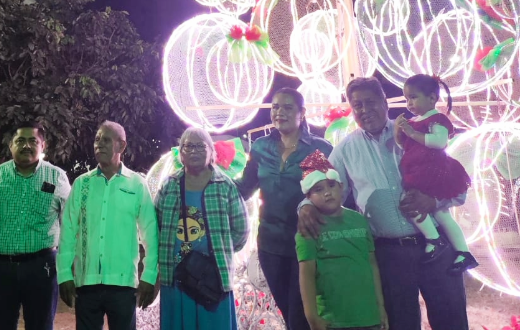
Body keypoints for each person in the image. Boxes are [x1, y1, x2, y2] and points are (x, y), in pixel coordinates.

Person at [298, 77, 469, 330]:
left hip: (437, 245)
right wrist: (305, 207)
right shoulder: (345, 150)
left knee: (451, 320)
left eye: (370, 102)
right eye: (358, 105)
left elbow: (456, 185)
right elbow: (321, 187)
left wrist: (434, 201)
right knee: (401, 324)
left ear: (385, 102)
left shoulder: (416, 132)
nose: (365, 110)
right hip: (390, 255)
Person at [235, 87, 332, 330]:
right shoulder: (261, 147)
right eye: (275, 107)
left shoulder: (317, 148)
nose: (280, 112)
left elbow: (329, 194)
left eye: (288, 107)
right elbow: (244, 187)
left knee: (302, 315)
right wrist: (211, 178)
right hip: (270, 245)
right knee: (289, 315)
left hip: (308, 243)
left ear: (302, 113)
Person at [57, 121, 159, 330]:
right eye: (97, 139)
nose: (99, 144)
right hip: (87, 283)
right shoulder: (82, 184)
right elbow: (68, 231)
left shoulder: (136, 184)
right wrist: (65, 274)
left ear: (122, 146)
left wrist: (149, 276)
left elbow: (150, 233)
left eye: (106, 140)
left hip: (123, 285)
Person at [155, 127, 249, 330]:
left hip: (213, 278)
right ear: (180, 153)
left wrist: (220, 250)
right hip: (176, 277)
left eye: (200, 146)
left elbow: (241, 230)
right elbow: (157, 225)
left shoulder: (224, 185)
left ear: (211, 151)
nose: (194, 151)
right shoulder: (169, 186)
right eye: (188, 146)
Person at [0, 121, 71, 330]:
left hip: (42, 267)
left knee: (41, 325)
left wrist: (67, 267)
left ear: (43, 145)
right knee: (0, 325)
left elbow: (69, 224)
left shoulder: (57, 177)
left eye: (33, 141)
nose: (26, 146)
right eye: (20, 141)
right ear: (10, 145)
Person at [296, 150, 388, 330]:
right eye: (318, 189)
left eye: (331, 185)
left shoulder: (359, 220)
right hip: (334, 320)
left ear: (341, 186)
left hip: (369, 317)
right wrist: (312, 317)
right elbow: (306, 274)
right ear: (308, 196)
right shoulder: (310, 227)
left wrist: (381, 307)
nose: (327, 193)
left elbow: (372, 264)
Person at [394, 74, 476, 273]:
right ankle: (462, 252)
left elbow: (439, 142)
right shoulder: (414, 122)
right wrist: (400, 133)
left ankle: (435, 240)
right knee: (441, 213)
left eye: (413, 97)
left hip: (432, 170)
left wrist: (411, 133)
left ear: (432, 98)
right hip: (419, 169)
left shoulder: (436, 119)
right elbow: (408, 146)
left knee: (411, 202)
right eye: (406, 98)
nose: (409, 103)